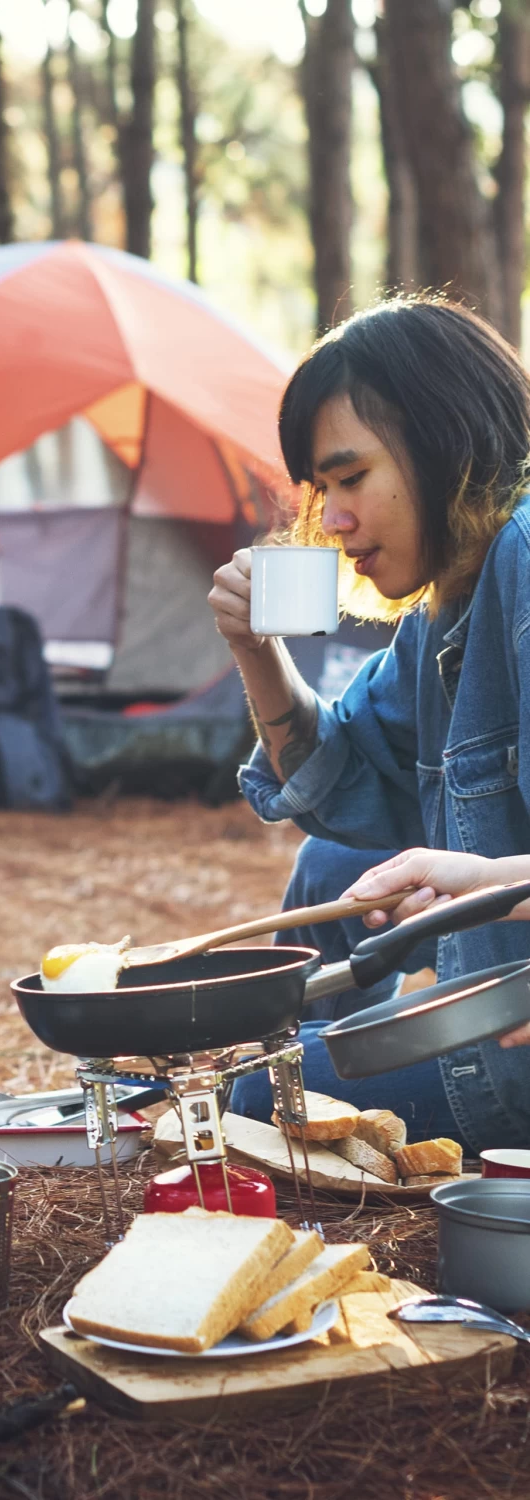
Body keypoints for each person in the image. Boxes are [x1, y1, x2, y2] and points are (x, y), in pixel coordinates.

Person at [206, 296, 530, 1150]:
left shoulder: (528, 562)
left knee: (253, 1103)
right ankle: (276, 1051)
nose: (335, 519)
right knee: (334, 863)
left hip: (516, 1040)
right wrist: (256, 649)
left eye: (351, 479)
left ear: (443, 439)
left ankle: (273, 1074)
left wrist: (486, 880)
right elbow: (342, 786)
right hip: (503, 993)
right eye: (323, 490)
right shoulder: (447, 607)